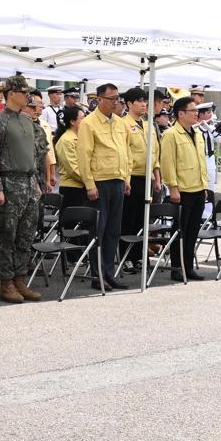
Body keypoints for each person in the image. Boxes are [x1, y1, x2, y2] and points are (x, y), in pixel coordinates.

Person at [0, 76, 43, 303]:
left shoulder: (27, 120)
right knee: (7, 235)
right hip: (9, 183)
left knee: (26, 235)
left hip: (28, 183)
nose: (28, 96)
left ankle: (20, 278)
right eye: (24, 92)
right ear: (11, 94)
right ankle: (6, 282)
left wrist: (36, 182)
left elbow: (34, 156)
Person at [76, 82, 131, 291]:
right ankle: (97, 274)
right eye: (112, 98)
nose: (116, 102)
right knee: (98, 230)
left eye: (118, 98)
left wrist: (126, 179)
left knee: (113, 231)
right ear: (99, 100)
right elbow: (84, 155)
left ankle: (109, 273)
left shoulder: (120, 123)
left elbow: (125, 153)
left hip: (117, 180)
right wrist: (89, 184)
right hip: (99, 182)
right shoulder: (89, 123)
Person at [159, 96, 211, 281]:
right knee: (179, 230)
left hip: (197, 187)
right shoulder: (171, 134)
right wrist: (172, 187)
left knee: (192, 231)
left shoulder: (196, 133)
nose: (197, 114)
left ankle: (188, 266)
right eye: (193, 111)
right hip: (182, 190)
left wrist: (204, 186)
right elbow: (167, 163)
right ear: (181, 113)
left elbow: (201, 162)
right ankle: (176, 267)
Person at [120, 87, 155, 257]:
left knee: (143, 219)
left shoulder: (149, 125)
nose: (143, 104)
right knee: (129, 219)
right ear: (129, 104)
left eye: (144, 101)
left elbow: (155, 152)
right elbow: (124, 152)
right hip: (131, 177)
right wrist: (126, 178)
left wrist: (157, 175)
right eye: (139, 101)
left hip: (147, 177)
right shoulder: (123, 124)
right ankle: (126, 256)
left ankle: (138, 255)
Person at [54, 106, 88, 212]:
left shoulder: (82, 137)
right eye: (82, 118)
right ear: (72, 121)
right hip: (72, 188)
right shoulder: (66, 140)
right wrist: (90, 181)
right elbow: (73, 169)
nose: (85, 120)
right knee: (70, 225)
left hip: (83, 186)